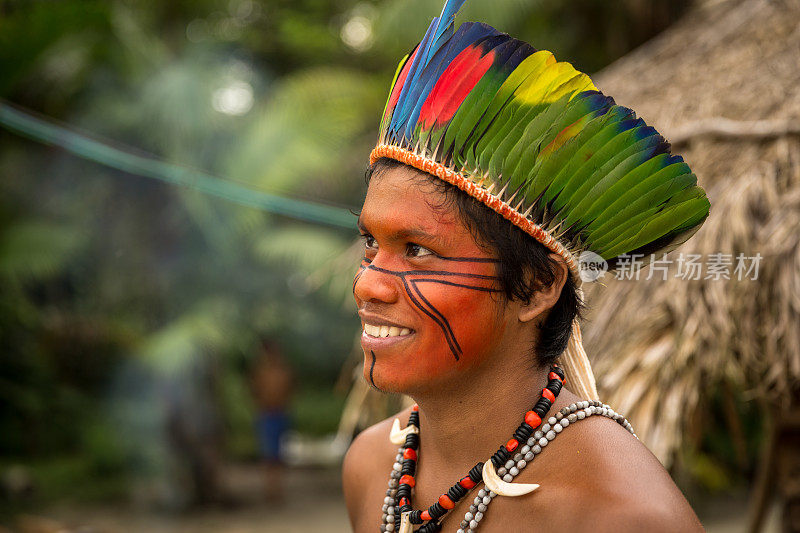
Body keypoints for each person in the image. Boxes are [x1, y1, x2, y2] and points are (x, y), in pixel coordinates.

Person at [343, 1, 710, 531]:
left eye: (417, 250)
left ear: (537, 286)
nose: (370, 284)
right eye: (370, 243)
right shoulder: (371, 466)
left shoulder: (623, 516)